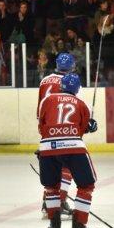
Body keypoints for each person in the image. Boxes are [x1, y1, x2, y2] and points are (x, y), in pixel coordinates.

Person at [37, 72, 98, 228]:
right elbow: (83, 128)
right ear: (77, 88)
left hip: (48, 147)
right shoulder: (81, 103)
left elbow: (42, 127)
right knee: (86, 185)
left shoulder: (46, 101)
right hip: (73, 147)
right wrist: (91, 126)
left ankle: (54, 227)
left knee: (51, 187)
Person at [37, 52, 78, 218]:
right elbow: (73, 105)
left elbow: (40, 108)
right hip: (64, 128)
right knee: (67, 166)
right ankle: (59, 201)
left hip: (47, 128)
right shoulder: (70, 81)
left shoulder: (44, 80)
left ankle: (48, 203)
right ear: (72, 66)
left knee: (52, 167)